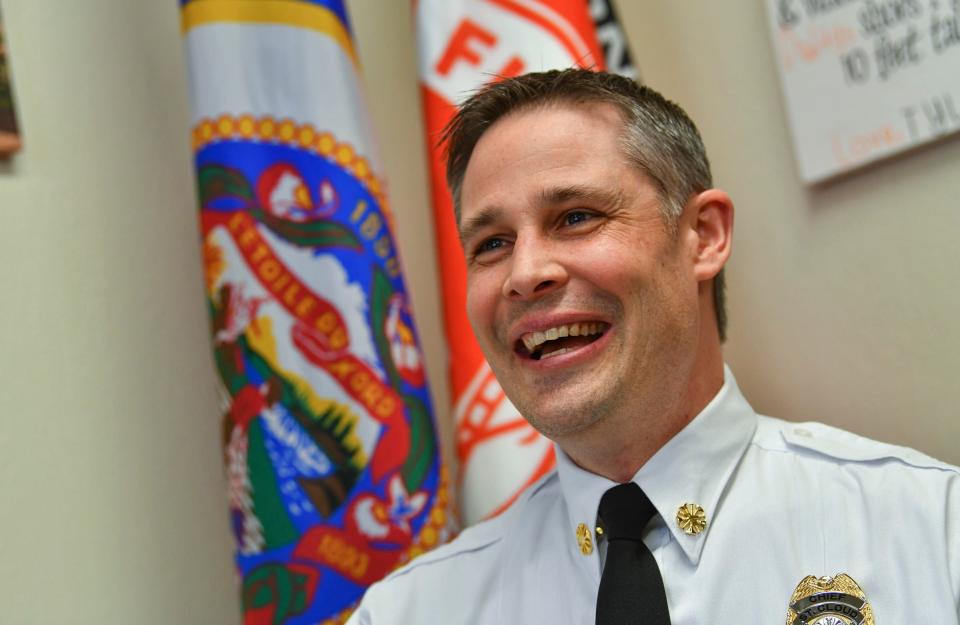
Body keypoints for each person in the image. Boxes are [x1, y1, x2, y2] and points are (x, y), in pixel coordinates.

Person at [347, 69, 959, 624]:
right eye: (491, 244)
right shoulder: (408, 612)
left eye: (577, 217)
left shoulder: (932, 532)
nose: (524, 273)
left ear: (704, 236)